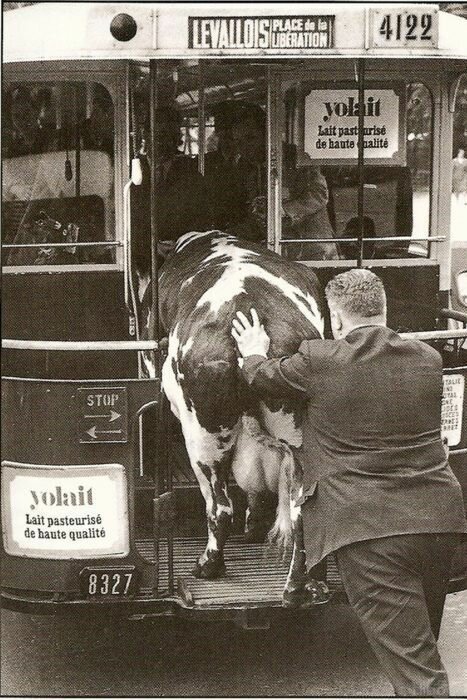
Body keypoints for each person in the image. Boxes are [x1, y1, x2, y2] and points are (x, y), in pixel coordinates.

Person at [231, 268, 467, 697]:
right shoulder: (427, 360)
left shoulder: (319, 361)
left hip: (368, 531)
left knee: (418, 673)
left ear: (335, 319)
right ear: (384, 310)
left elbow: (262, 378)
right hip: (438, 524)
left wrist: (252, 351)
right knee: (417, 648)